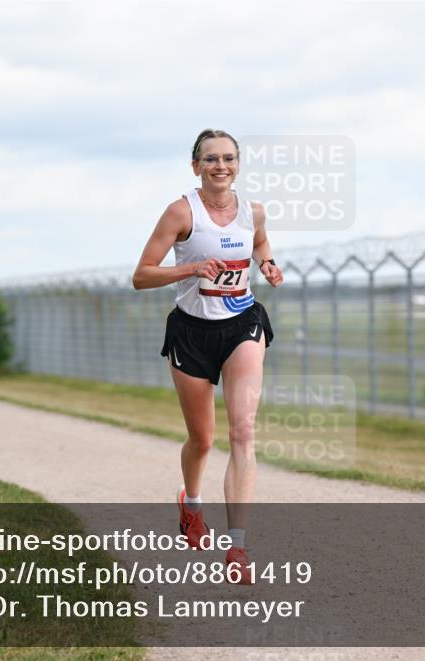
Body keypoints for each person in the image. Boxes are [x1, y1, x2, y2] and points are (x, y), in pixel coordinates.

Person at [132, 129, 284, 585]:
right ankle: (192, 504)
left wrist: (268, 264)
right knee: (202, 439)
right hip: (192, 332)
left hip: (242, 325)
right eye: (211, 159)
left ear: (239, 164)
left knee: (242, 431)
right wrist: (191, 268)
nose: (221, 165)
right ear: (195, 165)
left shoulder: (252, 211)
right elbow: (141, 275)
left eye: (229, 158)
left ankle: (237, 546)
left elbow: (259, 243)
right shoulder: (182, 211)